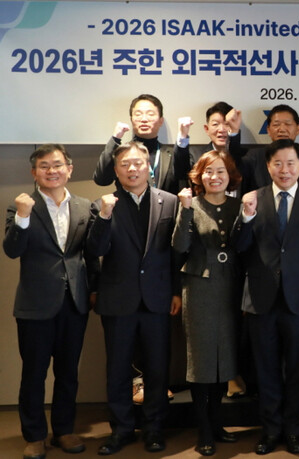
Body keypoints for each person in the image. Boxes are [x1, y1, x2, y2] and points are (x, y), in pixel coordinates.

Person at [233, 139, 299, 455]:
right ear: (268, 166)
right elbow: (239, 247)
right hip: (261, 298)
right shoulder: (253, 198)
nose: (284, 170)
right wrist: (246, 217)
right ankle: (271, 430)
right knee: (266, 370)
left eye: (290, 163)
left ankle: (294, 431)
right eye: (278, 163)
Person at [3, 144, 98, 459]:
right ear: (34, 173)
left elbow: (91, 254)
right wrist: (22, 216)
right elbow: (12, 250)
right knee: (34, 374)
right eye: (44, 166)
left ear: (69, 169)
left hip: (75, 302)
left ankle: (64, 430)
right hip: (35, 305)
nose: (51, 171)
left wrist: (94, 289)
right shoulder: (20, 207)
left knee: (68, 372)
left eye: (57, 165)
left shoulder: (84, 207)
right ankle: (34, 437)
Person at [87, 141, 181, 455]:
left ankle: (154, 429)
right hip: (118, 299)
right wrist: (104, 216)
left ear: (148, 167)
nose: (132, 169)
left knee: (157, 368)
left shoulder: (169, 201)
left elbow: (176, 253)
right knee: (118, 370)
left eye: (138, 163)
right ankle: (121, 430)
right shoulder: (103, 204)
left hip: (157, 298)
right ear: (116, 171)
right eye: (125, 164)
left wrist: (176, 291)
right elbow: (95, 250)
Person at [172, 151, 242, 456]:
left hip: (231, 287)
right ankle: (203, 430)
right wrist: (186, 210)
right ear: (199, 177)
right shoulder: (191, 204)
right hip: (199, 287)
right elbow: (179, 246)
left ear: (230, 176)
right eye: (208, 172)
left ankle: (217, 423)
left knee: (224, 358)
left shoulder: (239, 205)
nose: (215, 177)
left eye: (221, 171)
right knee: (201, 361)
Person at [93, 94, 190, 195]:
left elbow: (184, 176)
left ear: (161, 121)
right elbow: (102, 180)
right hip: (130, 205)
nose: (144, 119)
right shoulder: (123, 152)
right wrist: (115, 138)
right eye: (138, 114)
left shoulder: (172, 154)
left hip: (167, 205)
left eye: (150, 114)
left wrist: (183, 136)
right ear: (131, 119)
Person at [230, 104, 299, 196]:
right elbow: (236, 168)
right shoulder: (255, 157)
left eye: (288, 124)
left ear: (298, 129)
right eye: (276, 124)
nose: (282, 129)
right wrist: (234, 132)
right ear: (268, 130)